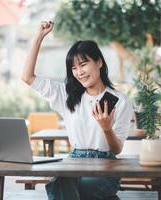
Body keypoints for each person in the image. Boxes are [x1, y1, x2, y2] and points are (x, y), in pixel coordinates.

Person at [22, 21, 134, 200]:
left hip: (106, 166)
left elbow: (117, 148)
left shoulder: (120, 101)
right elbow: (27, 77)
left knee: (73, 186)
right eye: (74, 68)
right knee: (60, 181)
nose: (79, 72)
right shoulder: (67, 96)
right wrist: (39, 37)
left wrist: (106, 128)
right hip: (74, 161)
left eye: (83, 64)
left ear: (99, 62)